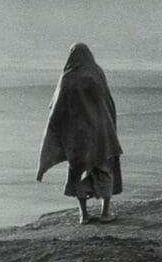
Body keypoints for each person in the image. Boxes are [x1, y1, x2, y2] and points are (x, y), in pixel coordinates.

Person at [36, 42, 123, 225]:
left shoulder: (67, 77)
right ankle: (105, 212)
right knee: (104, 170)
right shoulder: (96, 73)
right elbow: (107, 102)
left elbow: (56, 108)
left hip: (78, 136)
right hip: (100, 133)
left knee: (79, 171)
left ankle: (83, 215)